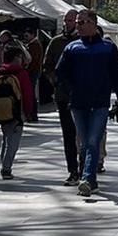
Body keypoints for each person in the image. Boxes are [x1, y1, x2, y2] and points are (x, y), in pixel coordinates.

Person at [57, 8, 118, 196]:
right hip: (78, 102)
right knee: (83, 142)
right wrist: (69, 90)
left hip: (99, 102)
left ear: (94, 25)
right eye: (76, 23)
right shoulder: (72, 48)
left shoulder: (107, 48)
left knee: (93, 140)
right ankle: (90, 180)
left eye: (81, 22)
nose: (77, 26)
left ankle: (87, 178)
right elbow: (60, 73)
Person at [43, 12, 81, 186]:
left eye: (71, 20)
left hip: (84, 95)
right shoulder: (56, 42)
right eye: (66, 20)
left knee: (85, 136)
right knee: (68, 134)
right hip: (63, 95)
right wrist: (54, 80)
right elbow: (47, 65)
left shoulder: (85, 41)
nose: (67, 23)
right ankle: (73, 170)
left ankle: (86, 168)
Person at [0, 41, 37, 179]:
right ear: (18, 58)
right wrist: (28, 111)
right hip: (17, 112)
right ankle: (6, 168)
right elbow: (28, 93)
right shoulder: (21, 73)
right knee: (13, 141)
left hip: (1, 111)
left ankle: (4, 164)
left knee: (5, 139)